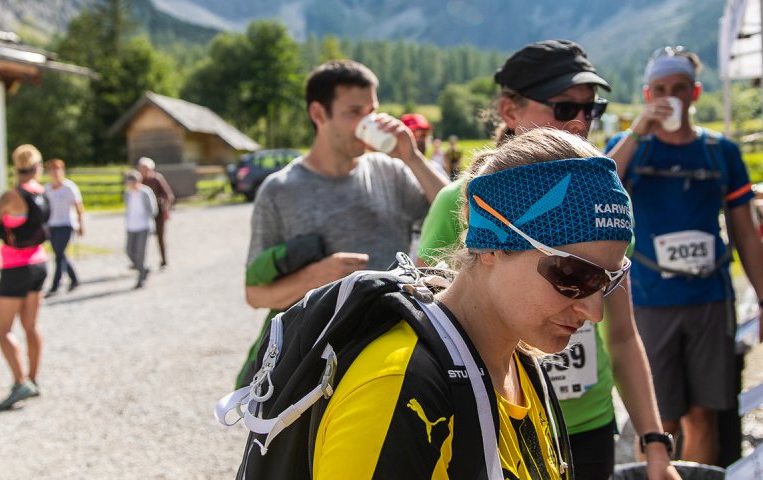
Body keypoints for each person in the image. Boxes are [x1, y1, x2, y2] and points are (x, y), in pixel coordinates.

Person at [416, 39, 678, 480]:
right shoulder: (464, 201)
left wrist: (654, 440)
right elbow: (429, 321)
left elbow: (622, 335)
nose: (579, 122)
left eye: (591, 109)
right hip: (486, 412)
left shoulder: (601, 204)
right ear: (509, 111)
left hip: (583, 420)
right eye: (562, 107)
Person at [312, 128, 635, 478]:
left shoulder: (519, 362)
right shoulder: (396, 390)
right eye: (573, 275)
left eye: (607, 280)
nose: (594, 312)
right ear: (494, 243)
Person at [605, 45, 763, 466]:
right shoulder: (631, 147)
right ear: (647, 95)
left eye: (678, 88)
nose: (669, 97)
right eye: (659, 89)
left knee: (704, 417)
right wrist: (638, 131)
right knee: (660, 422)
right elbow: (598, 183)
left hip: (710, 299)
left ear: (695, 93)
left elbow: (745, 231)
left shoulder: (720, 152)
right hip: (651, 299)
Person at [237, 60, 449, 385]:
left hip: (395, 350)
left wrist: (412, 157)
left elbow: (452, 212)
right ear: (318, 114)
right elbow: (255, 295)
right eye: (354, 112)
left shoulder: (390, 171)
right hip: (317, 364)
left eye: (372, 110)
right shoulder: (279, 191)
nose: (368, 122)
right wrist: (314, 276)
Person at [0, 144, 50, 411]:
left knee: (2, 330)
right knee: (31, 325)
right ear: (37, 168)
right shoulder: (41, 192)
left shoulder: (12, 195)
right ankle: (33, 378)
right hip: (39, 262)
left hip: (15, 266)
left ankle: (19, 380)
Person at [44, 158, 84, 297]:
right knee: (60, 254)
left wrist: (80, 224)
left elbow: (78, 207)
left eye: (57, 170)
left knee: (59, 255)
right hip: (52, 225)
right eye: (52, 170)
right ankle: (74, 279)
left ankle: (55, 285)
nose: (54, 173)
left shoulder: (69, 187)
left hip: (66, 224)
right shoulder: (47, 188)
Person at [136, 157, 174, 269]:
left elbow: (168, 195)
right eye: (141, 169)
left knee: (160, 237)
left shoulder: (157, 179)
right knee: (141, 237)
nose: (143, 171)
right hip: (143, 214)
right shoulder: (139, 180)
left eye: (145, 169)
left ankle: (163, 260)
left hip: (158, 212)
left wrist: (162, 203)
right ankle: (139, 261)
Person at [124, 171, 158, 289]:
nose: (130, 185)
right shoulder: (127, 193)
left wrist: (148, 220)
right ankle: (143, 268)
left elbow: (153, 209)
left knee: (140, 253)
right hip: (131, 226)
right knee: (128, 250)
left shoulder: (145, 192)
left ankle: (140, 279)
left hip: (143, 226)